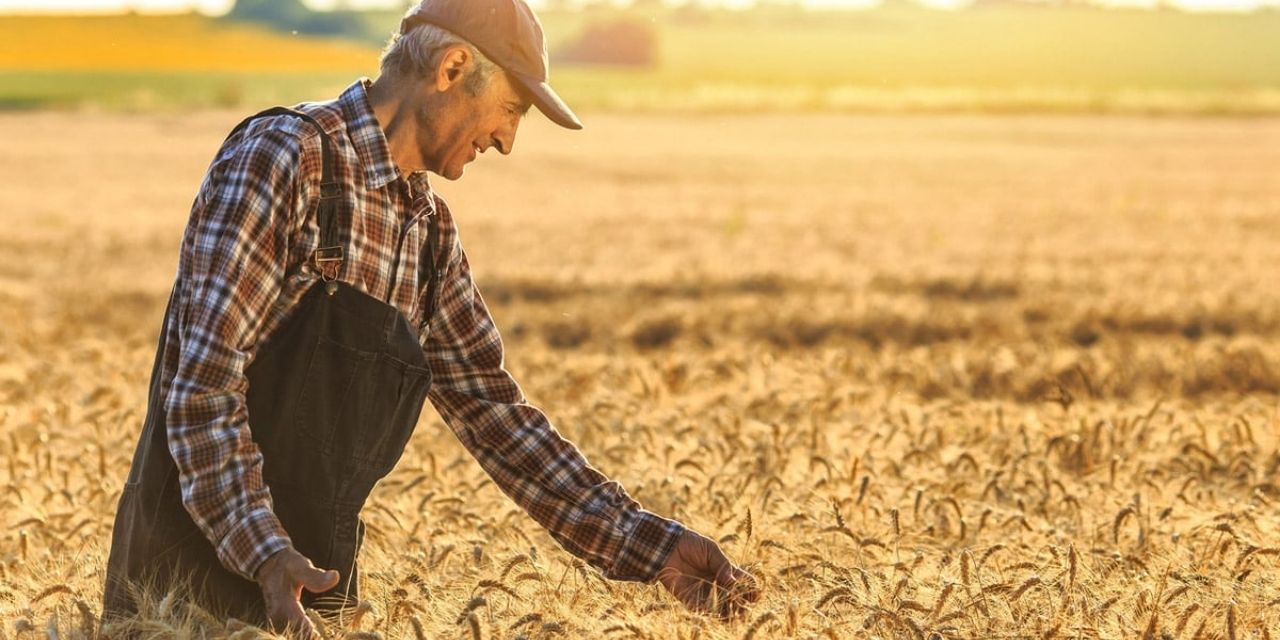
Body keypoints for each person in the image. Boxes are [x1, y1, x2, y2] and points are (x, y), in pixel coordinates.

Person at [100, 0, 760, 635]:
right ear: (449, 70)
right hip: (181, 596)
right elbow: (202, 391)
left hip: (308, 596)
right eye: (511, 109)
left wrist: (653, 546)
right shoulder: (285, 159)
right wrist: (264, 551)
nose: (506, 140)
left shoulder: (428, 234)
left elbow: (497, 416)